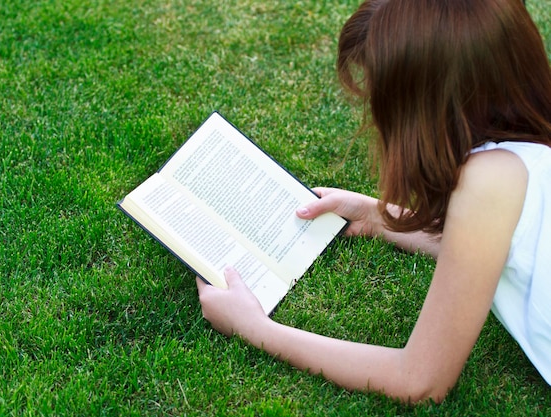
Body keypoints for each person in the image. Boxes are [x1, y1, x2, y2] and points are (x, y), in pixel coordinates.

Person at [196, 0, 551, 403]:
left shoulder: (489, 179)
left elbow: (419, 379)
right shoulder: (526, 153)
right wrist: (376, 216)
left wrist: (257, 329)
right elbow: (495, 247)